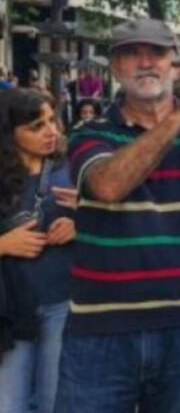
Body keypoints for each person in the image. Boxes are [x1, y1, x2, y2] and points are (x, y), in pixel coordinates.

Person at [54, 19, 180, 413]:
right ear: (116, 67)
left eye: (156, 53)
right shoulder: (90, 132)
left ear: (176, 63)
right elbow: (108, 186)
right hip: (102, 331)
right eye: (132, 53)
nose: (145, 62)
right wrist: (179, 117)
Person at [0, 89, 77, 413]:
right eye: (36, 126)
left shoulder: (70, 167)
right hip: (11, 312)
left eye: (52, 120)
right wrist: (3, 245)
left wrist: (80, 225)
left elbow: (110, 216)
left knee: (53, 401)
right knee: (10, 403)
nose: (51, 132)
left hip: (62, 301)